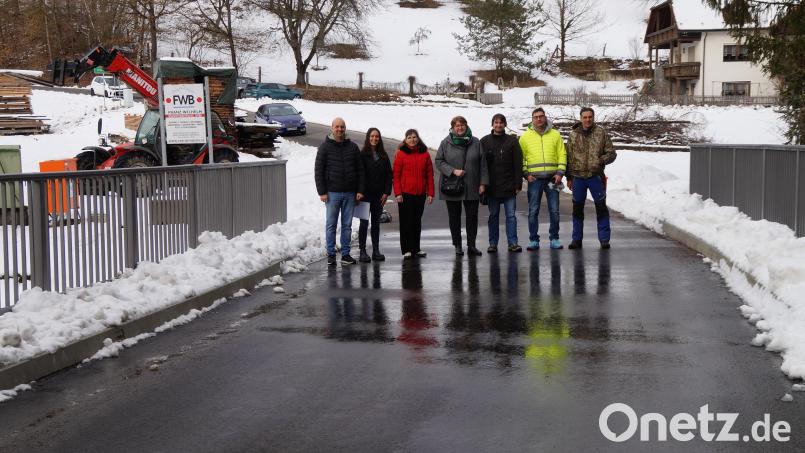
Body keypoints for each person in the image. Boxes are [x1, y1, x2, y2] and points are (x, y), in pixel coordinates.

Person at [314, 117, 365, 266]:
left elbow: (360, 170)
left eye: (342, 127)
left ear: (345, 128)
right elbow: (318, 171)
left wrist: (360, 190)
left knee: (347, 226)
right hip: (332, 194)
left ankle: (345, 254)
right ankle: (330, 254)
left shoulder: (353, 147)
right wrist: (322, 192)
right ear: (332, 128)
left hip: (350, 193)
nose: (339, 129)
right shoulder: (324, 147)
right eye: (337, 127)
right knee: (331, 225)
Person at [435, 115, 488, 257]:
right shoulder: (445, 143)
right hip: (452, 186)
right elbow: (439, 161)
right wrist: (453, 171)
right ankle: (457, 245)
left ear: (466, 126)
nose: (460, 128)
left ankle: (472, 245)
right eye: (457, 126)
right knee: (454, 217)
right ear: (452, 128)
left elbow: (483, 164)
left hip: (472, 185)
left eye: (462, 125)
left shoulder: (476, 142)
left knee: (472, 217)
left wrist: (483, 183)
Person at [566, 107, 617, 249]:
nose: (587, 119)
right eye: (585, 117)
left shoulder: (601, 133)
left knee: (601, 208)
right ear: (581, 118)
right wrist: (568, 177)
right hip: (578, 177)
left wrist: (600, 161)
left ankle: (604, 239)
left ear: (593, 118)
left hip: (595, 177)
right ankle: (576, 239)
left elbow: (612, 153)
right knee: (577, 209)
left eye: (590, 117)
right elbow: (568, 157)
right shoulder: (573, 135)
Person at [519, 107, 566, 250]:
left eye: (541, 116)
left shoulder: (555, 135)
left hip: (553, 179)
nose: (539, 119)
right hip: (535, 180)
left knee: (555, 210)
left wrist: (560, 173)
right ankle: (534, 240)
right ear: (532, 119)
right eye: (536, 117)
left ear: (545, 117)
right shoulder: (525, 137)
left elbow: (562, 154)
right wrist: (526, 174)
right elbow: (522, 158)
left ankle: (554, 239)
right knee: (533, 211)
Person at [480, 113, 523, 253]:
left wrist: (518, 184)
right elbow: (481, 165)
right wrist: (482, 183)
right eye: (496, 122)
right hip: (492, 187)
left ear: (505, 124)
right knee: (493, 216)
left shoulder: (512, 141)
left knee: (511, 216)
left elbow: (518, 163)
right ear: (492, 124)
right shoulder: (484, 141)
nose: (498, 125)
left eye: (501, 122)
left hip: (509, 185)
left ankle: (513, 243)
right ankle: (493, 243)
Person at [392, 129, 434, 260]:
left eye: (414, 137)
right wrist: (398, 193)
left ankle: (416, 248)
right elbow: (396, 176)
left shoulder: (425, 154)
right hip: (405, 194)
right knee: (406, 222)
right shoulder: (401, 154)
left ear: (418, 138)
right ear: (405, 139)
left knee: (416, 222)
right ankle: (406, 249)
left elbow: (429, 175)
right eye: (409, 137)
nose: (412, 139)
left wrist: (430, 193)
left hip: (420, 193)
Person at [358, 128, 393, 262]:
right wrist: (359, 192)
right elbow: (359, 174)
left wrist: (386, 192)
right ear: (368, 138)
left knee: (376, 224)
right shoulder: (362, 155)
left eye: (377, 136)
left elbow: (389, 175)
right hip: (365, 196)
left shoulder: (383, 155)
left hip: (379, 196)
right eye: (372, 136)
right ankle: (362, 251)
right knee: (364, 223)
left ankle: (376, 250)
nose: (374, 138)